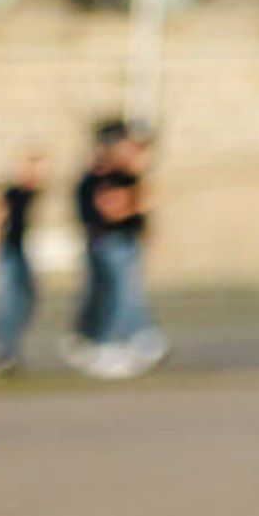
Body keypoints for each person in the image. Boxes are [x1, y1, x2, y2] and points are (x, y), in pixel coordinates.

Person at [67, 123, 165, 379]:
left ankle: (131, 338)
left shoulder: (128, 176)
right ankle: (106, 343)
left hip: (122, 240)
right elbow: (110, 208)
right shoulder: (100, 178)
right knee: (114, 294)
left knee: (122, 292)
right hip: (108, 241)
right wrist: (136, 204)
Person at [0, 149, 45, 376]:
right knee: (9, 302)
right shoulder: (12, 193)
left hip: (22, 252)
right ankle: (3, 349)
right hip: (9, 252)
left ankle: (11, 347)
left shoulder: (34, 193)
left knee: (28, 300)